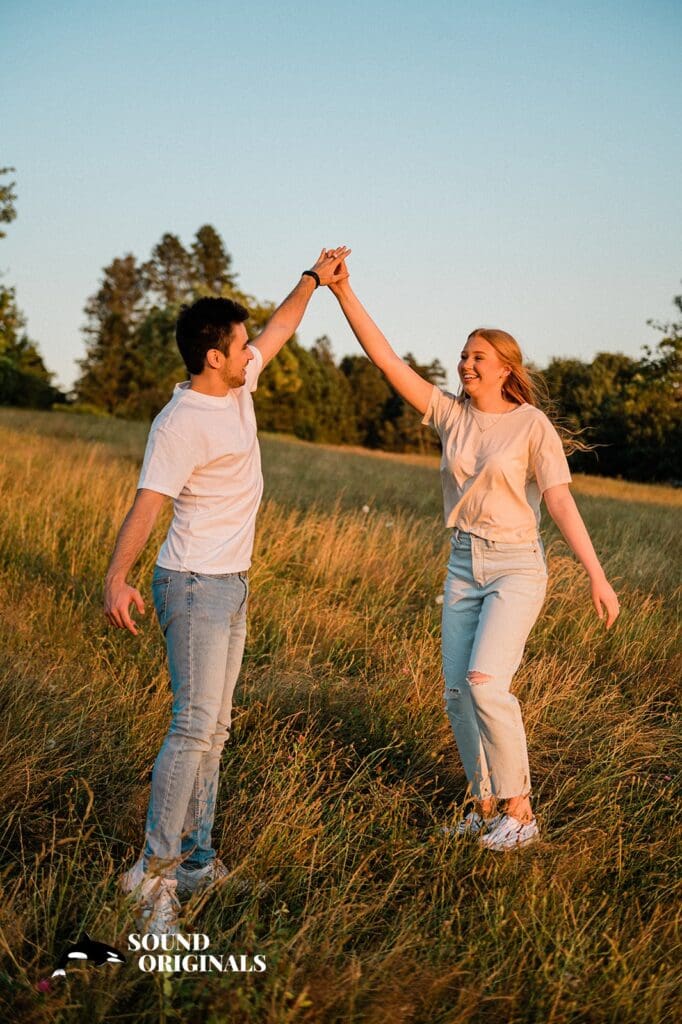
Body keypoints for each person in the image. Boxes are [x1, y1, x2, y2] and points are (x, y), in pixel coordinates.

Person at [327, 259, 619, 851]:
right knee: (457, 692)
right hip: (462, 563)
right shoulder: (450, 416)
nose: (465, 363)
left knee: (487, 683)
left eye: (477, 356)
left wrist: (597, 575)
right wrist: (342, 291)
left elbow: (559, 501)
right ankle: (485, 808)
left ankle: (522, 812)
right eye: (463, 354)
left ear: (505, 368)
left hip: (516, 565)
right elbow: (386, 360)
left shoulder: (531, 425)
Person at [104, 247, 350, 934]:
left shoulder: (238, 387)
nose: (253, 353)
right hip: (192, 587)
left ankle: (198, 861)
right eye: (240, 346)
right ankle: (151, 877)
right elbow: (147, 505)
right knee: (193, 727)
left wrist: (314, 280)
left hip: (231, 586)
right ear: (214, 357)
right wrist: (116, 577)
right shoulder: (181, 423)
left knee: (215, 728)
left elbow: (279, 328)